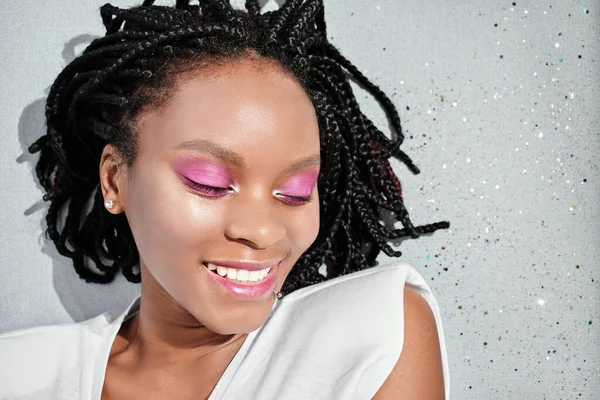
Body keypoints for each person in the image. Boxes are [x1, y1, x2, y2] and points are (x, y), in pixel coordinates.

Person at [0, 0, 451, 398]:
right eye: (210, 184)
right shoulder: (21, 374)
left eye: (294, 192)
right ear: (115, 180)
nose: (262, 230)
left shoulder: (374, 335)